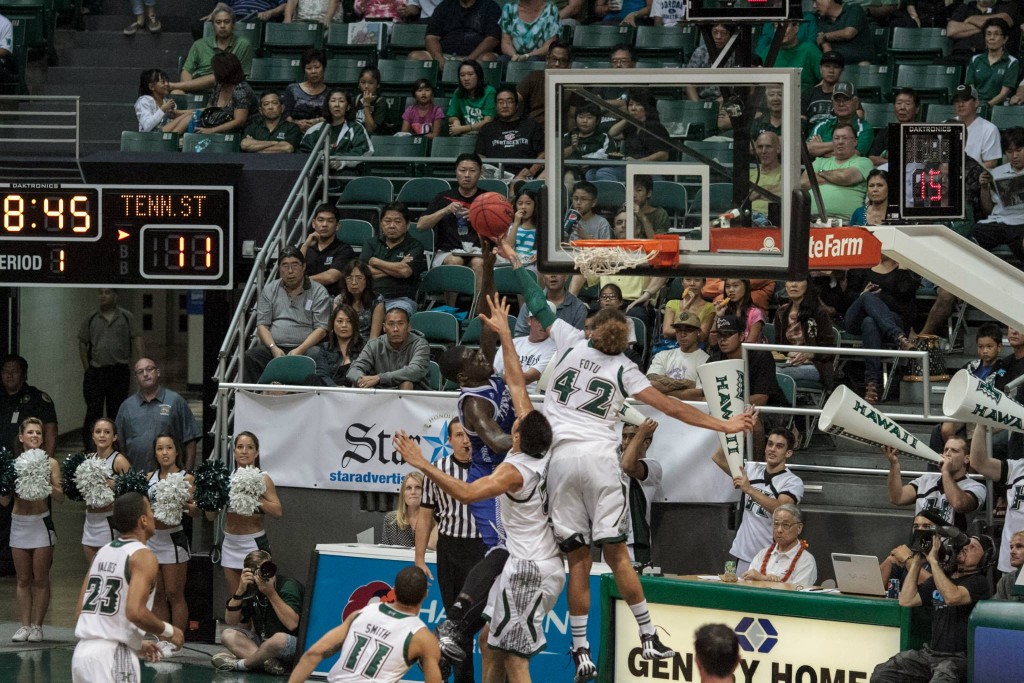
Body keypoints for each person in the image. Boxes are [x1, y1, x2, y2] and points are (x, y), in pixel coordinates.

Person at [502, 244, 756, 682]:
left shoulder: (568, 340)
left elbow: (537, 300)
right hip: (601, 460)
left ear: (593, 328)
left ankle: (580, 648)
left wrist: (513, 255)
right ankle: (648, 635)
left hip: (560, 462)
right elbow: (673, 409)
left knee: (577, 562)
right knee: (618, 555)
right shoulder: (625, 369)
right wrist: (725, 425)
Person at [396, 293, 563, 683]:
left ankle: (462, 624)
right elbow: (496, 440)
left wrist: (487, 261)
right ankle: (456, 625)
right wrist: (534, 438)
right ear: (463, 378)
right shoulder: (474, 404)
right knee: (502, 551)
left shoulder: (485, 372)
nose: (478, 356)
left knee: (495, 638)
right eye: (471, 358)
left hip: (515, 477)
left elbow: (506, 365)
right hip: (494, 480)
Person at [71, 493, 184, 682]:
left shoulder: (102, 551)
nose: (153, 514)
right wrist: (169, 631)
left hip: (82, 655)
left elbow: (80, 612)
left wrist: (134, 642)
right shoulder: (143, 556)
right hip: (113, 656)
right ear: (143, 521)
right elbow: (135, 612)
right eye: (150, 510)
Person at [414, 417, 484, 683]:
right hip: (450, 550)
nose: (465, 440)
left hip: (482, 549)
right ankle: (458, 675)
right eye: (459, 435)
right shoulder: (437, 470)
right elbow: (424, 517)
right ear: (449, 440)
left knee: (466, 620)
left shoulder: (489, 468)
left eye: (469, 435)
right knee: (457, 625)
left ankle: (439, 647)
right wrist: (419, 558)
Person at [870, 533, 994, 683]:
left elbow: (952, 597)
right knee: (883, 674)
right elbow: (907, 600)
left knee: (942, 678)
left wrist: (933, 562)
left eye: (973, 547)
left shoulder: (979, 583)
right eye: (965, 544)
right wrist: (915, 563)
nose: (966, 547)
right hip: (930, 653)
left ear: (984, 558)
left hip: (959, 658)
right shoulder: (942, 578)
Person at [287, 566, 441, 683]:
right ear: (425, 595)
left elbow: (314, 653)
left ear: (394, 590)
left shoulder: (362, 613)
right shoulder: (423, 638)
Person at [1, 418, 62, 643]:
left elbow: (61, 497)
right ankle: (24, 625)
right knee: (22, 579)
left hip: (41, 523)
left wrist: (47, 483)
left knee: (41, 579)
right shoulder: (12, 464)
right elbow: (5, 501)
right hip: (19, 523)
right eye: (30, 432)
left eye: (38, 432)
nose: (35, 435)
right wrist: (4, 484)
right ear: (21, 437)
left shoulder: (51, 463)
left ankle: (38, 626)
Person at [711, 428, 803, 576]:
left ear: (788, 453)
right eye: (770, 444)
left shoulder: (792, 481)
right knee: (740, 597)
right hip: (744, 554)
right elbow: (718, 458)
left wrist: (749, 489)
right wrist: (738, 433)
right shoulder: (752, 469)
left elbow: (782, 509)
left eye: (779, 446)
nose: (772, 449)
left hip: (774, 556)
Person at [242, 246, 331, 385]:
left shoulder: (318, 291)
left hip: (306, 348)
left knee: (316, 355)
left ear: (304, 267)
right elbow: (262, 325)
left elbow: (321, 329)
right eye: (285, 266)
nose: (290, 271)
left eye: (295, 265)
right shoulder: (270, 289)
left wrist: (300, 349)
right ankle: (256, 398)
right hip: (276, 347)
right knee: (250, 357)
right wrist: (273, 348)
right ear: (279, 269)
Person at [707, 315, 788, 461]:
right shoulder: (715, 359)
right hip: (729, 408)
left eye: (728, 335)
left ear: (742, 336)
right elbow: (704, 393)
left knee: (753, 422)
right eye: (719, 335)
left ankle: (756, 470)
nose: (722, 340)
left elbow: (761, 399)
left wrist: (726, 405)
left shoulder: (760, 356)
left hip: (769, 410)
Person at [212, 549, 303, 675]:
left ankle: (242, 664)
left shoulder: (287, 586)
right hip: (263, 644)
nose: (265, 574)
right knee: (227, 635)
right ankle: (268, 663)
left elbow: (292, 624)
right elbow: (231, 621)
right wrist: (239, 591)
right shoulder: (251, 589)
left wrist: (271, 593)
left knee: (278, 640)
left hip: (291, 644)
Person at [146, 434, 196, 658]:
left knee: (175, 593)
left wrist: (189, 506)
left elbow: (195, 511)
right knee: (157, 595)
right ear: (155, 453)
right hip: (152, 541)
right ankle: (163, 639)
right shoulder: (149, 477)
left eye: (169, 448)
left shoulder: (187, 478)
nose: (164, 453)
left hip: (174, 540)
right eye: (159, 449)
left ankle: (177, 640)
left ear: (177, 452)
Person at [844, 255, 918, 403]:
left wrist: (881, 298)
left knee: (870, 322)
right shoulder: (863, 265)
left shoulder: (902, 270)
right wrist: (863, 294)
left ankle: (871, 385)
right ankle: (899, 337)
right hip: (856, 319)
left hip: (889, 319)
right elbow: (846, 297)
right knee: (866, 298)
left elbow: (906, 303)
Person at [220, 432, 284, 599]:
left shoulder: (263, 478)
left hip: (252, 544)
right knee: (237, 598)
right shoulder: (226, 479)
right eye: (240, 447)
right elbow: (211, 516)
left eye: (250, 447)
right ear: (234, 451)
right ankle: (240, 627)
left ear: (256, 453)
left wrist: (254, 498)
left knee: (256, 600)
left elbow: (277, 511)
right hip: (230, 543)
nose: (244, 451)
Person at [79, 289, 144, 452]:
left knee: (117, 411)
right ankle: (90, 448)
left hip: (118, 371)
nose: (102, 296)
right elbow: (82, 342)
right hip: (97, 372)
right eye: (100, 293)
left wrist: (141, 363)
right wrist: (87, 368)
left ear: (116, 296)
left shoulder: (126, 317)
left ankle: (116, 448)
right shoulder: (91, 318)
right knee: (93, 411)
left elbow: (136, 338)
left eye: (107, 293)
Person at [885, 436, 986, 532]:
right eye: (946, 450)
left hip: (952, 547)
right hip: (921, 543)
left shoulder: (976, 487)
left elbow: (958, 504)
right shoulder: (926, 480)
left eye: (954, 450)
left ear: (966, 459)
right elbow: (897, 498)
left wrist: (945, 472)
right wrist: (894, 464)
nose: (948, 454)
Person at [418, 153, 488, 276]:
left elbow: (500, 227)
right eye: (462, 170)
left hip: (478, 250)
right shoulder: (443, 197)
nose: (467, 175)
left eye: (472, 171)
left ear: (480, 173)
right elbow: (421, 226)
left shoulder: (488, 198)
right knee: (455, 261)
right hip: (448, 252)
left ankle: (479, 296)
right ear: (456, 172)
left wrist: (478, 216)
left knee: (479, 263)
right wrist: (445, 210)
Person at [968, 422, 1024, 574]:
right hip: (1012, 560)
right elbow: (979, 463)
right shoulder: (1017, 467)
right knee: (1007, 596)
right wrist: (981, 425)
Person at [360, 202, 427, 319]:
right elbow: (363, 273)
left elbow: (405, 271)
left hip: (400, 299)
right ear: (381, 224)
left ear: (407, 225)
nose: (391, 226)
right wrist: (397, 267)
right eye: (387, 221)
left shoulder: (415, 246)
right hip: (369, 297)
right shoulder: (371, 243)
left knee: (395, 317)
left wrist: (375, 261)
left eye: (397, 221)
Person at [81, 418, 132, 566]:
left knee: (108, 569)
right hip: (89, 520)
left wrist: (116, 485)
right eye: (98, 432)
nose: (102, 435)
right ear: (92, 435)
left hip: (108, 521)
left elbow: (134, 490)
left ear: (114, 437)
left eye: (107, 432)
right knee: (93, 572)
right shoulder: (88, 459)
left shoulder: (119, 460)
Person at [172, 4, 254, 93]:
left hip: (227, 89)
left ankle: (172, 85)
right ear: (212, 25)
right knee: (176, 93)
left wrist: (175, 85)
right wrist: (188, 87)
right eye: (218, 22)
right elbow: (187, 71)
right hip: (196, 88)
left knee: (220, 77)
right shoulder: (199, 44)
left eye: (226, 22)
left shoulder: (243, 44)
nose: (222, 26)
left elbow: (225, 76)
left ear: (233, 25)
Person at [773, 277, 837, 389]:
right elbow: (779, 346)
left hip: (815, 365)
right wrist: (787, 355)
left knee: (775, 373)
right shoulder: (781, 312)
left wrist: (809, 354)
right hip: (788, 362)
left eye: (798, 280)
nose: (793, 284)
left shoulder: (819, 312)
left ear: (807, 284)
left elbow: (829, 350)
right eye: (790, 280)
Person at [802, 122, 874, 220]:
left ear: (855, 142)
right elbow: (803, 183)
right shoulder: (819, 161)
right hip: (812, 221)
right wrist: (836, 179)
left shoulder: (864, 162)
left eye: (845, 138)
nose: (840, 142)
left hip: (847, 223)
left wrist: (820, 173)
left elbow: (846, 177)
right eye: (836, 138)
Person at [346, 307, 431, 390]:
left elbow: (416, 370)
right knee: (360, 384)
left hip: (415, 395)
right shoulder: (374, 344)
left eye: (400, 323)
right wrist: (362, 381)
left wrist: (380, 378)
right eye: (390, 324)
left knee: (406, 383)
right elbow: (354, 369)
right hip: (382, 392)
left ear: (409, 327)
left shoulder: (420, 344)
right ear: (384, 327)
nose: (395, 329)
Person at [974, 126, 1024, 263]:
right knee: (968, 241)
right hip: (998, 223)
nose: (1014, 156)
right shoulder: (996, 173)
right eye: (1009, 152)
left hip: (1021, 223)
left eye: (1019, 151)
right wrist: (984, 188)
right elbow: (989, 210)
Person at [600, 89, 671, 182]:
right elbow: (612, 133)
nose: (633, 108)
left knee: (604, 173)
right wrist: (628, 119)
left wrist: (638, 162)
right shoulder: (632, 127)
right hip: (631, 168)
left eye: (638, 104)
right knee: (591, 173)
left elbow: (664, 155)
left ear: (647, 107)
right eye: (630, 104)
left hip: (649, 171)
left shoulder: (655, 127)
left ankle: (619, 196)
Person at [475, 86, 545, 181]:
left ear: (516, 105)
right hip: (495, 179)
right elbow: (480, 156)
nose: (504, 105)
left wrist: (531, 172)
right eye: (500, 102)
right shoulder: (487, 129)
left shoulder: (531, 125)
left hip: (525, 176)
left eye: (509, 101)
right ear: (495, 106)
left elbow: (543, 153)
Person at [298, 88, 375, 172]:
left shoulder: (356, 128)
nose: (337, 105)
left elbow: (364, 151)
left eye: (341, 101)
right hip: (318, 174)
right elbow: (304, 152)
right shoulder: (315, 129)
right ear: (327, 106)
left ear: (348, 107)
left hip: (346, 175)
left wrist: (343, 161)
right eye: (333, 101)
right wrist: (321, 161)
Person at [620, 419, 662, 566]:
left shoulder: (653, 466)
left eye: (632, 436)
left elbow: (628, 465)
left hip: (634, 544)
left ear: (646, 442)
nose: (626, 442)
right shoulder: (613, 462)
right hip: (610, 541)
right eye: (624, 436)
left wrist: (643, 431)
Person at [742, 503, 817, 585]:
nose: (779, 530)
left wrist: (764, 579)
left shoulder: (806, 561)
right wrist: (766, 579)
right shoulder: (762, 555)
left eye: (785, 525)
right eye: (776, 524)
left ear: (799, 528)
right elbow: (748, 584)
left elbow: (797, 594)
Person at [412, 0, 501, 68]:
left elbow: (492, 38)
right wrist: (438, 58)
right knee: (415, 57)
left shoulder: (490, 6)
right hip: (445, 56)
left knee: (487, 59)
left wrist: (470, 59)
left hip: (476, 57)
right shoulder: (444, 6)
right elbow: (431, 37)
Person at [0, 354, 57, 456]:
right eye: (5, 371)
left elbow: (50, 432)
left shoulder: (37, 399)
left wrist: (47, 462)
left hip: (29, 460)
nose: (9, 375)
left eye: (14, 371)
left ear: (24, 374)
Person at [493, 301, 556, 393]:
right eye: (539, 319)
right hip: (504, 394)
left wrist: (491, 377)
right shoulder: (513, 343)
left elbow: (526, 379)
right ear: (529, 321)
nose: (543, 324)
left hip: (532, 399)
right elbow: (493, 369)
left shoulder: (555, 348)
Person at [646, 312, 709, 400]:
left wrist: (662, 390)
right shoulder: (663, 355)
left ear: (698, 332)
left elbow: (699, 395)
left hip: (690, 408)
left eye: (688, 330)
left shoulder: (706, 360)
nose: (683, 335)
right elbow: (650, 383)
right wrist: (687, 383)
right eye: (679, 330)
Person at [192, 52, 257, 135]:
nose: (213, 73)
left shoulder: (241, 90)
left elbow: (239, 121)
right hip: (216, 123)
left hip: (236, 132)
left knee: (189, 119)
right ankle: (171, 136)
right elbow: (208, 110)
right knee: (188, 117)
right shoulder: (219, 85)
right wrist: (180, 112)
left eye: (214, 70)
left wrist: (212, 130)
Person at [299, 203, 355, 297]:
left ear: (337, 226)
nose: (324, 224)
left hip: (330, 298)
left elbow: (331, 277)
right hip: (302, 296)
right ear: (313, 223)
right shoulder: (304, 247)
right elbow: (292, 268)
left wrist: (298, 282)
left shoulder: (344, 249)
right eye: (320, 220)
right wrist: (305, 246)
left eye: (330, 221)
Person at [806, 81, 874, 159]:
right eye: (837, 100)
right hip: (819, 169)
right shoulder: (823, 124)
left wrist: (820, 151)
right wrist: (845, 145)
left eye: (846, 99)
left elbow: (854, 155)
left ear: (856, 103)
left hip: (847, 170)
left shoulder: (865, 128)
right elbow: (808, 149)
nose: (841, 104)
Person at [946, 0, 1021, 66]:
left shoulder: (1007, 6)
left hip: (990, 56)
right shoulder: (965, 8)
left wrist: (971, 19)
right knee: (939, 65)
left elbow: (1003, 20)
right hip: (960, 55)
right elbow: (951, 30)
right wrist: (985, 27)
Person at [517, 39, 572, 126]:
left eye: (562, 60)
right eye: (554, 59)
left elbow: (572, 116)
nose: (557, 64)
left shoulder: (573, 85)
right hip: (533, 129)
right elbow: (515, 97)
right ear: (547, 59)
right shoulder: (534, 77)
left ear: (569, 64)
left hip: (559, 131)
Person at [513, 272, 588, 336]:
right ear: (543, 278)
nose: (553, 275)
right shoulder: (531, 302)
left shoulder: (579, 308)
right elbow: (520, 335)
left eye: (558, 271)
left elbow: (579, 341)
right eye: (549, 271)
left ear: (566, 277)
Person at [965, 18, 1019, 107]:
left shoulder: (1012, 62)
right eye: (988, 34)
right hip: (975, 106)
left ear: (1005, 39)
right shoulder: (975, 59)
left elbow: (1004, 94)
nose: (991, 37)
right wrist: (975, 104)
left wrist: (986, 106)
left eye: (996, 34)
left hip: (998, 108)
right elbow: (970, 88)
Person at [307, 304, 366, 386]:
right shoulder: (324, 348)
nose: (344, 325)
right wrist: (336, 388)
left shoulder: (365, 347)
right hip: (330, 394)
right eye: (340, 321)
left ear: (355, 325)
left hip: (358, 392)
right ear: (332, 324)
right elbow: (323, 375)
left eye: (349, 321)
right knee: (312, 378)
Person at [762, 20, 821, 91]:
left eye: (785, 26)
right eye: (776, 27)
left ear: (796, 28)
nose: (780, 31)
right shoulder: (769, 51)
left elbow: (827, 79)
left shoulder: (810, 50)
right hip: (776, 99)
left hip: (803, 99)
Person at [563, 103, 614, 183]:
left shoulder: (604, 138)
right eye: (581, 117)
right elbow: (556, 156)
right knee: (568, 175)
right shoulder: (567, 136)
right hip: (570, 171)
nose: (584, 121)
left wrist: (588, 162)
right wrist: (573, 147)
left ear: (597, 121)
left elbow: (608, 157)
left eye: (589, 117)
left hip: (594, 172)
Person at [954, 84, 1002, 169]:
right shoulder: (946, 125)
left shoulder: (989, 129)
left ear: (976, 103)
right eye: (957, 101)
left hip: (975, 178)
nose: (960, 104)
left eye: (965, 100)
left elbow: (991, 163)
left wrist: (965, 170)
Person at [868, 88, 920, 166]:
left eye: (908, 104)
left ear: (917, 109)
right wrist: (893, 162)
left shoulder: (924, 132)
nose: (902, 107)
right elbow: (872, 158)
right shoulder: (886, 131)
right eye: (899, 103)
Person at [446, 59, 497, 137]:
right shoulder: (458, 92)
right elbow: (451, 115)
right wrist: (455, 121)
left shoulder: (490, 92)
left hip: (485, 135)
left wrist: (462, 129)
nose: (466, 78)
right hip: (465, 136)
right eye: (462, 75)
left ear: (478, 75)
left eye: (470, 74)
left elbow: (488, 122)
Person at [686, 24, 737, 102]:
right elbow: (690, 85)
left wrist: (718, 104)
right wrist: (698, 108)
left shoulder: (736, 54)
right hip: (701, 101)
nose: (718, 37)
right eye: (715, 32)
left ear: (730, 35)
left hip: (727, 100)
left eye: (723, 33)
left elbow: (738, 89)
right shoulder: (700, 52)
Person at [813, 0, 874, 65]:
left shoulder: (853, 9)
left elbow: (848, 33)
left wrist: (824, 36)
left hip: (860, 63)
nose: (814, 6)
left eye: (816, 1)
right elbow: (827, 48)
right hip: (838, 64)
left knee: (864, 64)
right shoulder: (822, 21)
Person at [283, 48, 328, 134]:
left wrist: (317, 121)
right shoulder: (292, 89)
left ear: (324, 68)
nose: (313, 71)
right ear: (304, 71)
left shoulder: (330, 93)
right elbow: (285, 115)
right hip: (294, 132)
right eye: (309, 68)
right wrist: (296, 123)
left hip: (321, 134)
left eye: (317, 67)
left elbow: (333, 116)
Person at [336, 261, 385, 341]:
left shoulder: (377, 300)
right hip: (344, 343)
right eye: (349, 278)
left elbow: (374, 337)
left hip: (367, 345)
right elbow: (336, 332)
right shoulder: (339, 300)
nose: (354, 282)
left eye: (359, 278)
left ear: (367, 280)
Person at [134, 69, 193, 133]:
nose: (167, 84)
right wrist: (162, 109)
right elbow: (147, 127)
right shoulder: (144, 101)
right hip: (151, 136)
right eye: (163, 82)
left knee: (191, 116)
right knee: (189, 117)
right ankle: (174, 140)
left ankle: (174, 140)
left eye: (167, 81)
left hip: (165, 133)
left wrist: (172, 114)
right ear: (151, 87)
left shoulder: (166, 101)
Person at [662, 276, 715, 344]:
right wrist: (684, 311)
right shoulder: (672, 303)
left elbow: (702, 336)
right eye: (688, 279)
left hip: (697, 347)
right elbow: (666, 332)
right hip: (672, 346)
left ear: (703, 283)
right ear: (682, 282)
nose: (692, 283)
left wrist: (679, 330)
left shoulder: (709, 307)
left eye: (697, 280)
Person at [382, 471, 429, 547]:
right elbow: (385, 554)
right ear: (403, 493)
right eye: (408, 488)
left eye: (418, 487)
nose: (413, 492)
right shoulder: (390, 520)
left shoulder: (435, 520)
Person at [713, 278, 765, 344]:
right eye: (728, 286)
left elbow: (749, 347)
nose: (731, 290)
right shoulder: (724, 311)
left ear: (746, 287)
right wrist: (718, 316)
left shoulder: (755, 313)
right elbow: (713, 342)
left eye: (735, 286)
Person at [353, 66, 402, 136]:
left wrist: (366, 104)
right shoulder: (356, 100)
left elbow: (371, 129)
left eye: (371, 83)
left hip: (375, 140)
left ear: (378, 85)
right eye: (363, 82)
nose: (366, 86)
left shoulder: (381, 102)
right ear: (359, 84)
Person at [802, 50, 845, 130]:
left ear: (842, 70)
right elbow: (800, 123)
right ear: (820, 69)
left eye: (836, 67)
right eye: (827, 66)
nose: (831, 71)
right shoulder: (808, 93)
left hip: (837, 138)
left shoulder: (846, 94)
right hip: (810, 139)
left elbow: (859, 116)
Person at [749, 131, 783, 223]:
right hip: (746, 217)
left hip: (770, 220)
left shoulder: (786, 174)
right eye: (760, 147)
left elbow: (786, 193)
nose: (764, 151)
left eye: (768, 146)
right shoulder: (749, 174)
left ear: (778, 149)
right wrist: (771, 190)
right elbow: (742, 199)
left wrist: (757, 193)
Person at [503, 187, 540, 269]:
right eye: (520, 203)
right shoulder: (512, 227)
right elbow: (508, 248)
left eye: (528, 203)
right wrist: (516, 223)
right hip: (515, 264)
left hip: (533, 265)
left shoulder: (542, 228)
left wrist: (541, 255)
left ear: (535, 205)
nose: (523, 207)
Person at [994, 529, 1024, 601]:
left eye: (1019, 546)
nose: (1012, 552)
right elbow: (997, 609)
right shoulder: (1005, 581)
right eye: (1011, 547)